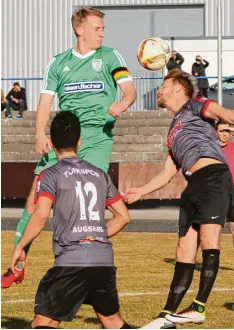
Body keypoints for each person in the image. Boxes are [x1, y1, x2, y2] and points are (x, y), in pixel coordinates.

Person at [2, 7, 136, 288]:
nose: (102, 32)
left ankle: (85, 258)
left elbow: (129, 89)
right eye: (97, 27)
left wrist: (122, 104)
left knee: (89, 202)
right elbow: (45, 102)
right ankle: (17, 263)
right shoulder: (59, 62)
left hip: (98, 137)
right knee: (34, 196)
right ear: (80, 29)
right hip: (65, 138)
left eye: (102, 28)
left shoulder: (110, 57)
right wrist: (40, 132)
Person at [124, 68, 234, 328]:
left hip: (213, 177)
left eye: (164, 86)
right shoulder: (173, 128)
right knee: (183, 249)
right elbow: (167, 172)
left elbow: (221, 113)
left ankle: (198, 307)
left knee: (209, 240)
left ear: (177, 88)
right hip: (193, 184)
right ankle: (166, 315)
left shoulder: (195, 105)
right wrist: (140, 191)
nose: (159, 91)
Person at [11, 112, 131, 329]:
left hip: (72, 262)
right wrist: (95, 235)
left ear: (51, 142)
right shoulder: (99, 174)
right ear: (79, 142)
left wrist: (20, 246)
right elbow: (123, 216)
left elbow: (40, 215)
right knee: (111, 321)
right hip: (103, 260)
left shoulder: (50, 175)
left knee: (44, 321)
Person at [216, 120, 234, 241]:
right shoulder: (210, 148)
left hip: (233, 190)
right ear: (215, 132)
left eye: (227, 131)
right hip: (216, 192)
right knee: (213, 230)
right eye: (221, 131)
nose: (225, 134)